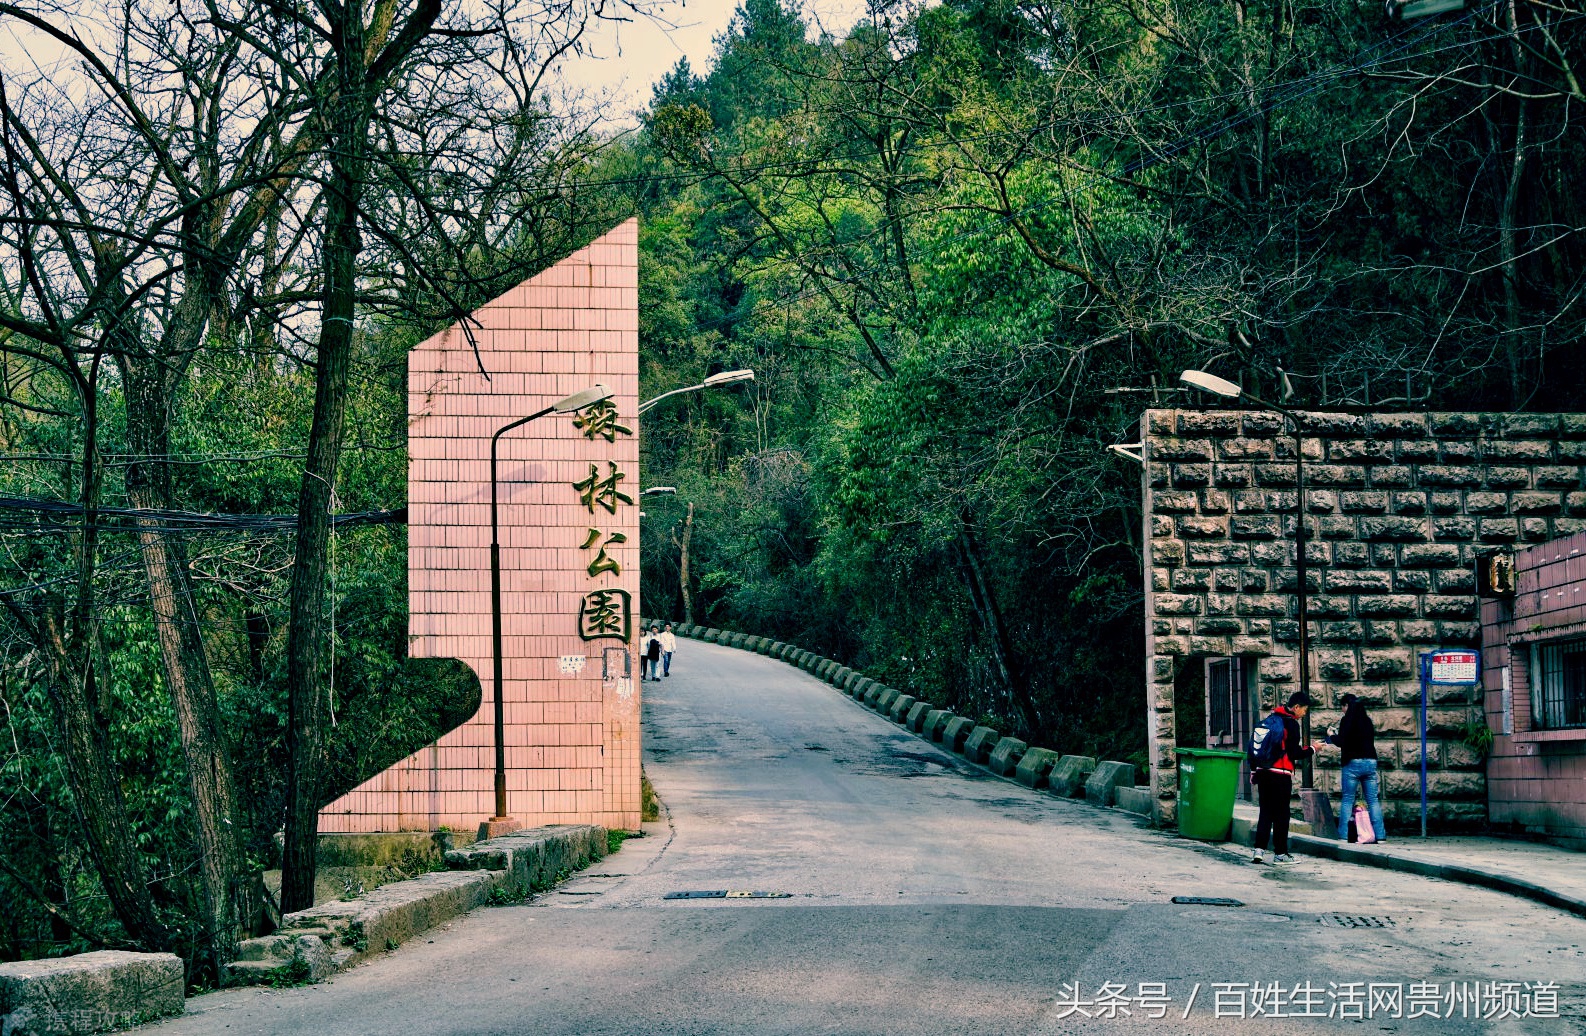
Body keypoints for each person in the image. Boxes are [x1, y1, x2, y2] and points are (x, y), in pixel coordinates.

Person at [1251, 691, 1314, 865]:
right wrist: (1313, 749)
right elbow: (1294, 753)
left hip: (1263, 772)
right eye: (1304, 710)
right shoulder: (1291, 724)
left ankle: (1258, 850)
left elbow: (1256, 747)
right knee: (1281, 814)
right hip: (1281, 774)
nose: (1304, 713)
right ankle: (1280, 854)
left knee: (1265, 811)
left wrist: (1254, 771)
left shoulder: (1270, 720)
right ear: (1296, 707)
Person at [1327, 693, 1386, 844]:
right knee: (1373, 800)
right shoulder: (1367, 721)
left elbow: (1342, 742)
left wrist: (1331, 735)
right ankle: (1380, 836)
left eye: (1342, 707)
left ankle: (1343, 836)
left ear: (1346, 705)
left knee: (1348, 799)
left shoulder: (1346, 720)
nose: (1342, 710)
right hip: (1370, 761)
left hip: (1352, 763)